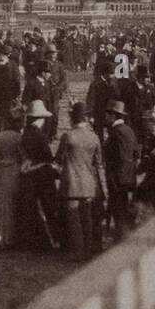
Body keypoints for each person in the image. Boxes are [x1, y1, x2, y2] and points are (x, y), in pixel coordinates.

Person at [55, 101, 104, 259]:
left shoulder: (68, 136)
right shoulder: (94, 137)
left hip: (72, 182)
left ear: (73, 119)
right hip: (89, 182)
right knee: (86, 217)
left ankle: (76, 251)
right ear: (86, 119)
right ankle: (88, 250)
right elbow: (99, 162)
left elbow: (58, 158)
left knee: (73, 219)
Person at [18, 99, 60, 250]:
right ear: (40, 119)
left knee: (33, 208)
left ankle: (35, 240)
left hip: (30, 174)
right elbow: (48, 156)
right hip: (43, 174)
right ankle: (54, 239)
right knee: (49, 207)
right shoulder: (39, 136)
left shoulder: (25, 133)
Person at [0, 106, 23, 249]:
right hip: (12, 170)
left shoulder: (2, 136)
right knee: (9, 206)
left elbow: (1, 155)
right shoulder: (18, 138)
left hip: (0, 170)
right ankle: (7, 238)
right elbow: (21, 156)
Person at [103, 100, 139, 241]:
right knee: (124, 208)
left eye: (107, 114)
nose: (105, 117)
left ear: (113, 115)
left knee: (119, 209)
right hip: (129, 176)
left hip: (119, 178)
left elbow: (120, 158)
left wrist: (114, 178)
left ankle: (121, 239)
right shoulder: (129, 130)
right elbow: (136, 153)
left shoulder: (117, 133)